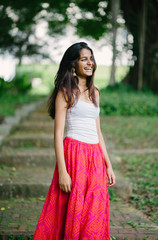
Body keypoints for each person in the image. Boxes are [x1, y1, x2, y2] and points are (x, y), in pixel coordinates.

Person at [32, 42, 115, 240]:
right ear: (73, 64)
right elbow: (58, 134)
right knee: (73, 208)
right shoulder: (65, 92)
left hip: (95, 156)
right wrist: (62, 171)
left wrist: (108, 165)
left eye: (91, 58)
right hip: (74, 154)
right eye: (83, 58)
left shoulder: (96, 93)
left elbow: (98, 131)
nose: (89, 63)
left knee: (93, 209)